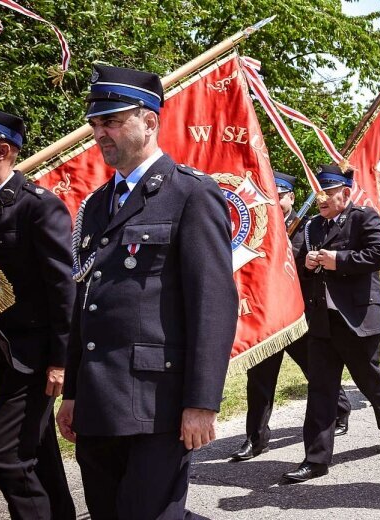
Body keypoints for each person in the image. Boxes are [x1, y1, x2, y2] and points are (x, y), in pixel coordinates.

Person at [55, 65, 238, 519]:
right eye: (96, 124)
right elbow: (86, 302)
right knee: (107, 511)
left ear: (150, 122)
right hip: (100, 399)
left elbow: (213, 305)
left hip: (159, 402)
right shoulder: (97, 204)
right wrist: (73, 391)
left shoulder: (191, 195)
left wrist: (202, 403)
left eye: (113, 122)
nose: (101, 133)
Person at [0, 104, 75, 519]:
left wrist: (61, 361)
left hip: (33, 357)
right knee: (37, 451)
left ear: (3, 151)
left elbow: (62, 289)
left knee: (4, 455)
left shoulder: (38, 206)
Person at [282, 164, 380, 483]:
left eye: (328, 192)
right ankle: (315, 459)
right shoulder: (313, 227)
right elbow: (306, 269)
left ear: (345, 193)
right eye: (318, 192)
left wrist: (340, 261)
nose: (321, 198)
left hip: (357, 320)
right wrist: (306, 265)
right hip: (322, 322)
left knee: (370, 382)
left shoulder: (364, 217)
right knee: (320, 390)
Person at [230, 172, 351, 462]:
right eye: (271, 194)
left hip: (299, 317)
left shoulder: (309, 229)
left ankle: (340, 409)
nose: (276, 201)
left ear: (291, 198)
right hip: (268, 318)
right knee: (258, 380)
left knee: (317, 372)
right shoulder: (257, 229)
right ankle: (256, 439)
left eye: (281, 195)